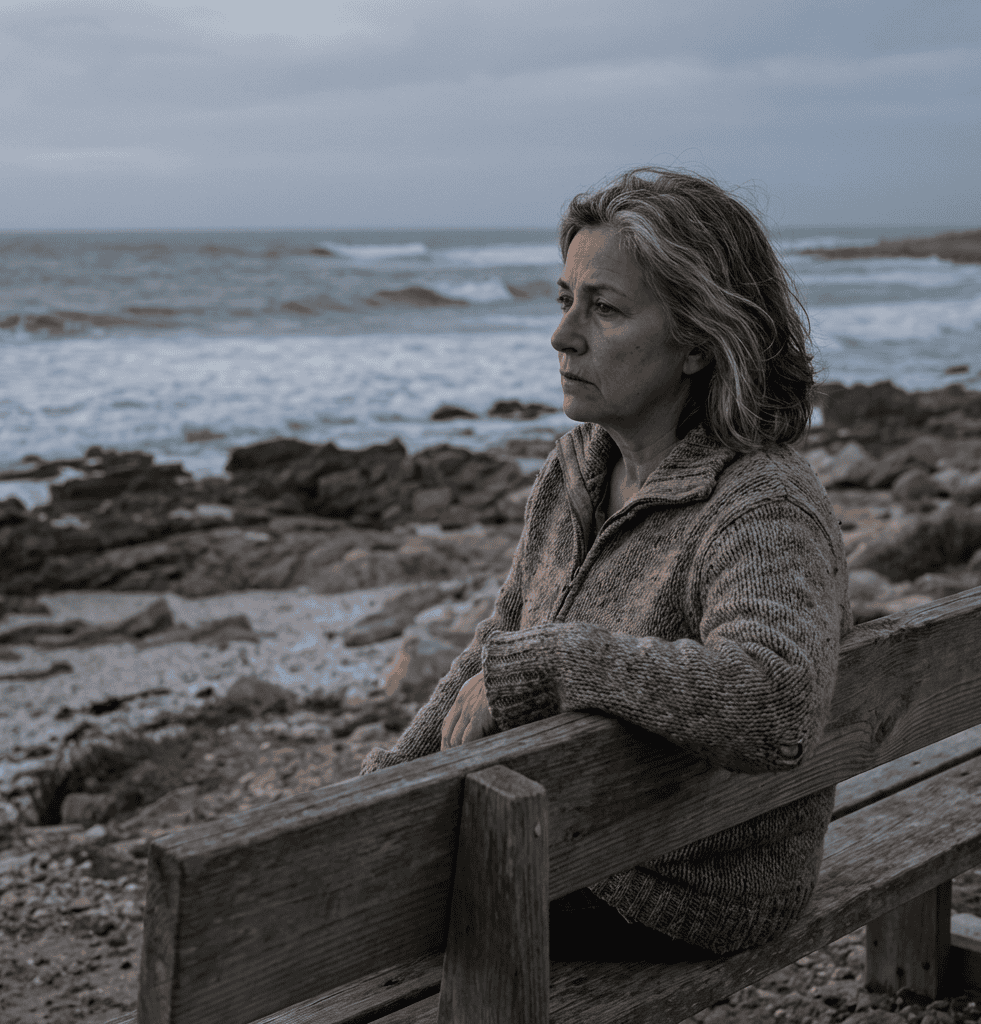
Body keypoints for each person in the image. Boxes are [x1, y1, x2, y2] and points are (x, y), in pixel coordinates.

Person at [361, 167, 852, 958]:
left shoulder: (760, 506)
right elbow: (497, 644)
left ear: (699, 339)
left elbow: (775, 704)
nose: (563, 336)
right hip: (584, 839)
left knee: (349, 927)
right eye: (565, 300)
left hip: (685, 887)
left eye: (606, 308)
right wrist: (383, 786)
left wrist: (555, 662)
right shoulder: (576, 466)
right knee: (348, 883)